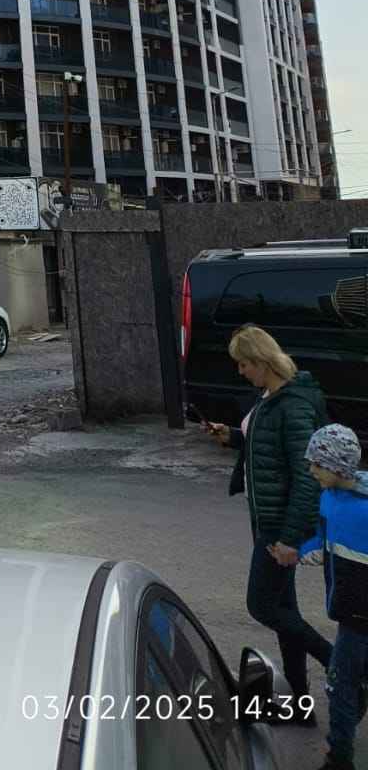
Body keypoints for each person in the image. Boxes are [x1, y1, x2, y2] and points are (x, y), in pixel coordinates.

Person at [202, 323, 331, 722]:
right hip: (265, 518)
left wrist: (291, 538)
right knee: (283, 609)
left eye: (243, 364)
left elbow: (307, 476)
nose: (240, 371)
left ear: (261, 361)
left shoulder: (294, 405)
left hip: (279, 523)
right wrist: (233, 436)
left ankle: (341, 663)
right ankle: (301, 705)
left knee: (261, 605)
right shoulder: (269, 397)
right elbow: (263, 441)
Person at [299, 424, 368, 770]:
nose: (311, 470)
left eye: (317, 464)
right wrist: (309, 549)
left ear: (338, 467)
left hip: (360, 617)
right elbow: (323, 534)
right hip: (347, 612)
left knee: (341, 685)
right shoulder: (328, 498)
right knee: (345, 683)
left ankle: (339, 758)